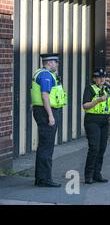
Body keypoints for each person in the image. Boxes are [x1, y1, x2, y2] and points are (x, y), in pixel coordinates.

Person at [31, 53, 67, 187]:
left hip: (42, 111)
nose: (57, 64)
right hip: (47, 112)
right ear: (50, 63)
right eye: (56, 62)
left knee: (44, 146)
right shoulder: (46, 75)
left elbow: (36, 92)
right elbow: (44, 94)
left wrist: (34, 105)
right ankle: (44, 179)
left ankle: (41, 178)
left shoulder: (39, 73)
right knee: (47, 147)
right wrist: (50, 115)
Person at [82, 68, 110, 184]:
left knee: (102, 148)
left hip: (104, 121)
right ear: (94, 79)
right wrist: (98, 100)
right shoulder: (90, 88)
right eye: (99, 77)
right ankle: (88, 175)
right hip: (92, 120)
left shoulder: (107, 88)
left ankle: (97, 174)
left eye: (104, 77)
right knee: (94, 148)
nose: (102, 79)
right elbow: (85, 105)